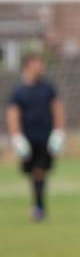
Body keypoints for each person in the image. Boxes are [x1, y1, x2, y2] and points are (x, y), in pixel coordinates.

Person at [6, 53, 65, 221]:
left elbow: (57, 109)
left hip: (45, 138)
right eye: (38, 63)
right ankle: (38, 206)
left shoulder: (48, 88)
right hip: (27, 139)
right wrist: (17, 137)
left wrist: (59, 131)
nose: (41, 66)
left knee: (39, 171)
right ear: (29, 65)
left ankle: (39, 208)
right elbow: (13, 114)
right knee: (33, 172)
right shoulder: (19, 91)